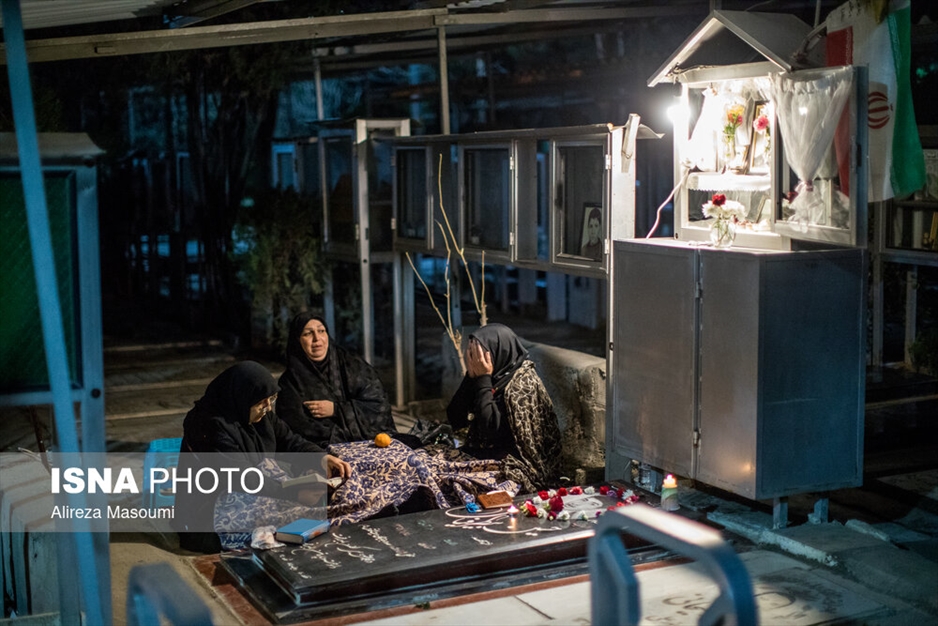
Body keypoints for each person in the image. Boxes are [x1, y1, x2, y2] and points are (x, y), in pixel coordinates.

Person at [174, 360, 351, 552]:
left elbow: (289, 440)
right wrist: (294, 493)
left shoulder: (256, 412)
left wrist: (320, 457)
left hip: (248, 483)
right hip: (209, 512)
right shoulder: (210, 425)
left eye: (272, 399)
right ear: (242, 397)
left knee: (317, 501)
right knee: (304, 512)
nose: (267, 408)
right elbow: (240, 476)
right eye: (261, 403)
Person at [446, 323, 563, 493]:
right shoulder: (493, 376)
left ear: (498, 351)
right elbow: (455, 417)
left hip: (515, 468)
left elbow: (491, 430)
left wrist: (483, 381)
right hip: (484, 455)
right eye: (472, 355)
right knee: (414, 458)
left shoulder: (522, 386)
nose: (476, 360)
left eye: (479, 355)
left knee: (440, 478)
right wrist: (471, 378)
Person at [278, 313, 417, 447]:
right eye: (308, 333)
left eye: (321, 331)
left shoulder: (352, 365)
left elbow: (379, 404)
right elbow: (294, 428)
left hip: (371, 443)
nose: (317, 339)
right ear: (297, 340)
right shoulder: (290, 383)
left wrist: (336, 409)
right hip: (322, 452)